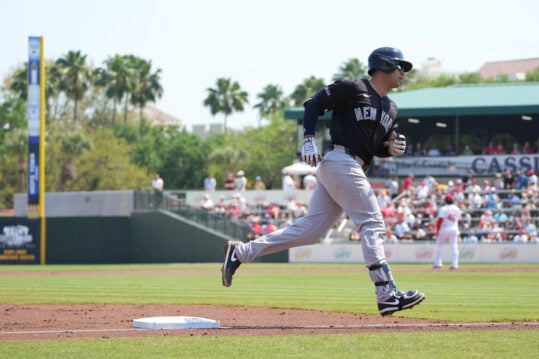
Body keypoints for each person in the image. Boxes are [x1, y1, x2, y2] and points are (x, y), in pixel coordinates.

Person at [221, 47, 425, 316]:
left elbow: (373, 146)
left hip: (352, 166)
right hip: (340, 161)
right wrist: (308, 139)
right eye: (400, 66)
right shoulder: (352, 88)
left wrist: (389, 148)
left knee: (310, 232)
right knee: (373, 222)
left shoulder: (391, 107)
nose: (403, 72)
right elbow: (313, 104)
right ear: (383, 65)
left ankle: (241, 253)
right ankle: (386, 293)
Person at [433, 194, 462, 270]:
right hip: (454, 228)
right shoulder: (456, 208)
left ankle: (438, 263)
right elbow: (458, 220)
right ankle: (455, 265)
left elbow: (440, 220)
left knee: (439, 245)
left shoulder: (443, 209)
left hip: (444, 228)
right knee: (454, 247)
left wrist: (437, 230)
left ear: (445, 200)